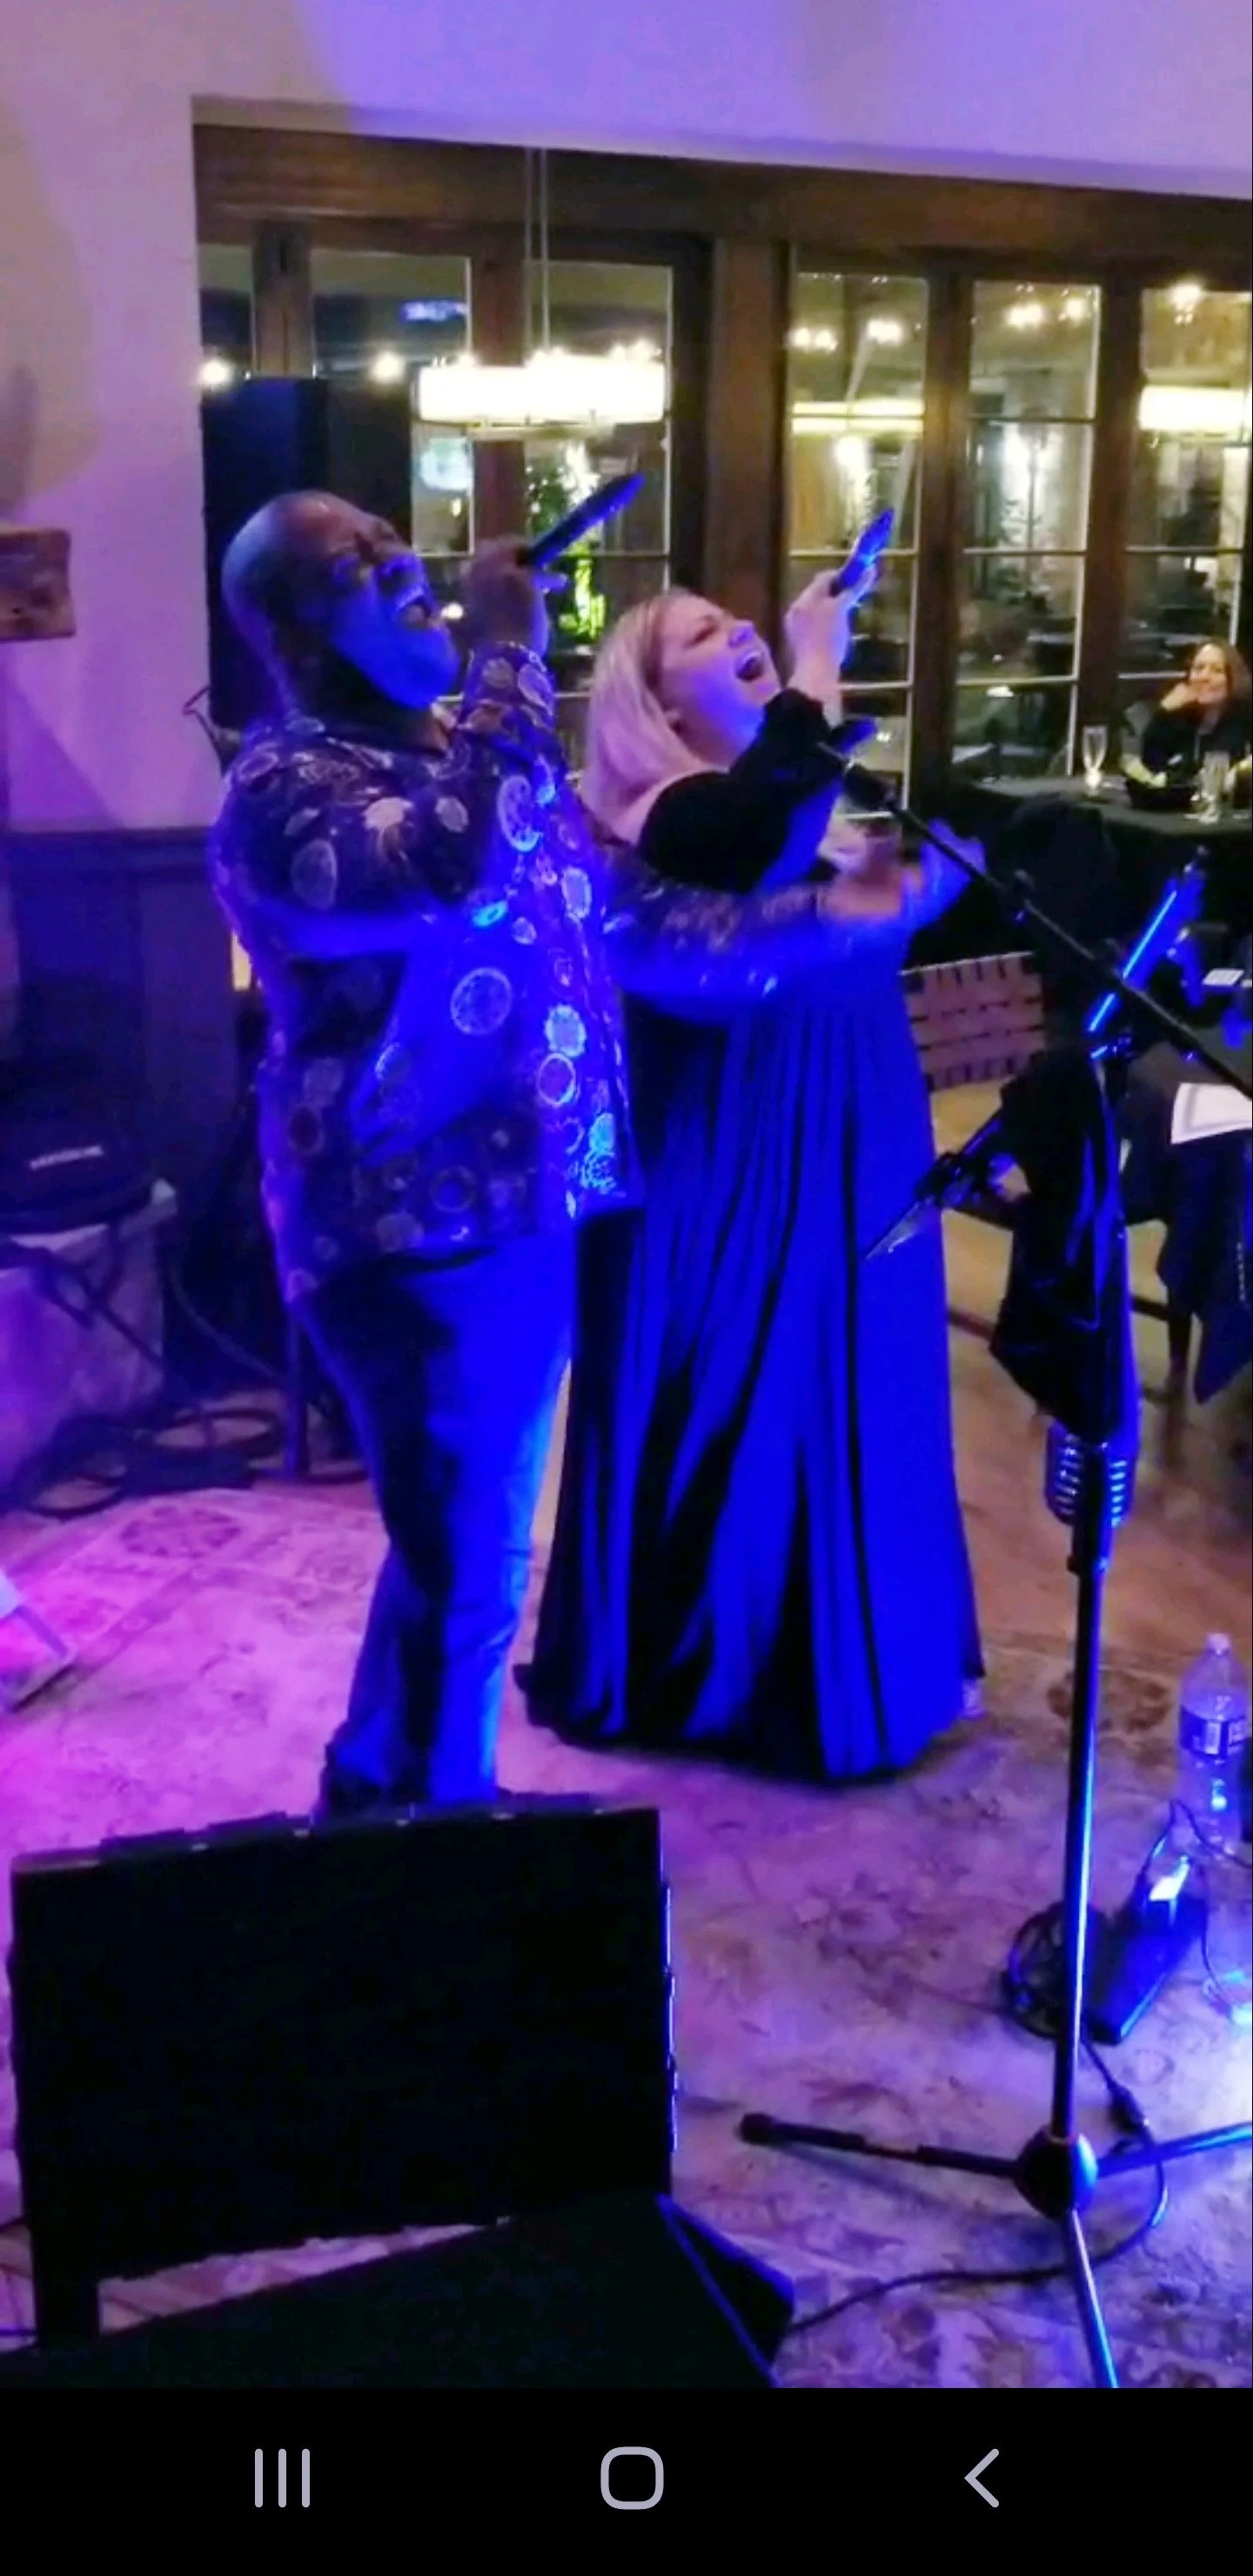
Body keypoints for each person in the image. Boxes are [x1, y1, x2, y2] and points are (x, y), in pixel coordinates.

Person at [209, 495, 911, 1819]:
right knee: (473, 1569)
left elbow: (629, 928)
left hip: (518, 1204)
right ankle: (449, 1847)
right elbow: (451, 873)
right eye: (357, 562)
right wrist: (507, 655)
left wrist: (840, 915)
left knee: (452, 1538)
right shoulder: (287, 784)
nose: (402, 560)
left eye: (391, 538)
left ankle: (377, 1793)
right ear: (298, 636)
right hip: (414, 1223)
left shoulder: (458, 753)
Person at [524, 573, 984, 1784]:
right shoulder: (653, 813)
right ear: (658, 707)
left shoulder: (786, 810)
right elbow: (732, 912)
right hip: (737, 1135)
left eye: (736, 619)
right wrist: (816, 659)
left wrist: (900, 892)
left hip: (847, 1113)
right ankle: (728, 1675)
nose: (740, 630)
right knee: (750, 1372)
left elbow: (797, 861)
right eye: (701, 632)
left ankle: (861, 1660)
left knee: (852, 1365)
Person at [1140, 638, 1252, 777]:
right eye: (1198, 669)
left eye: (1217, 670)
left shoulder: (1245, 720)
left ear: (1232, 678)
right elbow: (1151, 765)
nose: (1204, 677)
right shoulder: (1181, 718)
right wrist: (1163, 714)